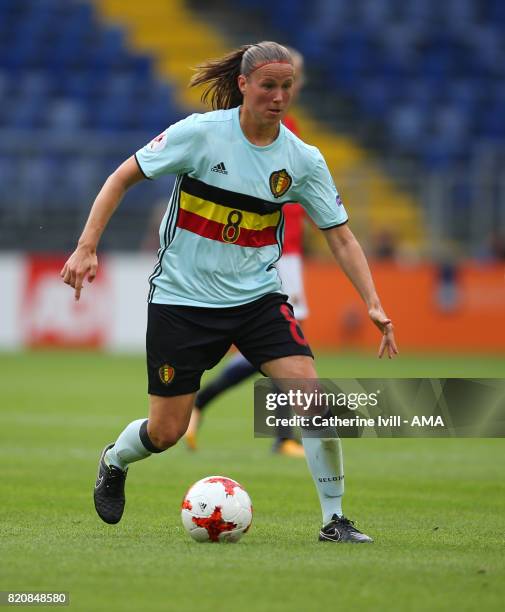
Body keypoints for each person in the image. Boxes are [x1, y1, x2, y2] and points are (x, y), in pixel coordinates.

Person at [61, 41, 398, 544]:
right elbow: (121, 177)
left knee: (314, 400)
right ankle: (114, 459)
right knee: (166, 432)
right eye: (268, 86)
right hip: (182, 301)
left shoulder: (302, 159)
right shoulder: (200, 135)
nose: (279, 97)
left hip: (257, 299)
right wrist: (86, 247)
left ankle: (334, 519)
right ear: (243, 85)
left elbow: (341, 235)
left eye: (286, 87)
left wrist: (372, 300)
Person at [184, 47, 308, 458]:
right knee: (280, 351)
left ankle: (281, 435)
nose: (285, 90)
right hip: (274, 254)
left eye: (290, 82)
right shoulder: (258, 128)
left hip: (288, 252)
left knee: (281, 352)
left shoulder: (288, 132)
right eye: (274, 82)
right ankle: (205, 403)